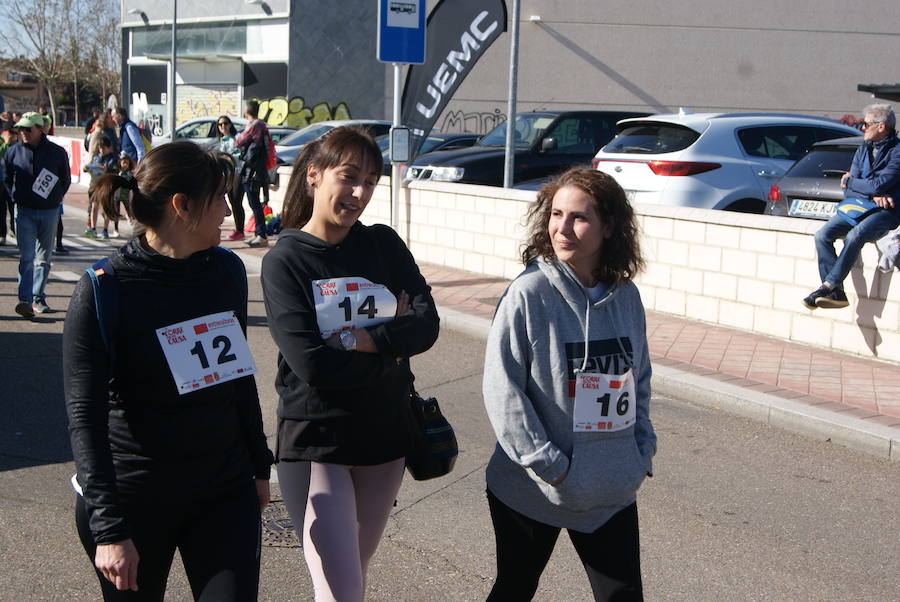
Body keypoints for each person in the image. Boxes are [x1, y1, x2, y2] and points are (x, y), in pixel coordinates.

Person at [64, 141, 273, 600]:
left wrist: (259, 464)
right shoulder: (105, 289)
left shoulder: (226, 272)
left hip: (223, 488)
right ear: (182, 206)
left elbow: (236, 375)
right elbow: (85, 416)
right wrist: (108, 527)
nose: (226, 208)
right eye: (219, 197)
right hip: (135, 499)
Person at [261, 126, 440, 602]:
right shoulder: (287, 261)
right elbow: (312, 365)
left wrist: (358, 340)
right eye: (349, 177)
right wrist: (390, 345)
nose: (360, 193)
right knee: (342, 594)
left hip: (386, 436)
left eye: (371, 181)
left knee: (349, 582)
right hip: (318, 439)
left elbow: (427, 326)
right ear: (315, 175)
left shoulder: (382, 244)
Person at [482, 167, 656, 601]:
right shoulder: (528, 294)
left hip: (610, 486)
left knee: (623, 596)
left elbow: (640, 379)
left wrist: (641, 448)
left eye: (579, 217)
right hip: (535, 485)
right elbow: (503, 391)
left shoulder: (626, 297)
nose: (563, 228)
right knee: (515, 589)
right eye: (556, 214)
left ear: (609, 226)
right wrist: (550, 465)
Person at [803, 104, 900, 310]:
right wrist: (873, 194)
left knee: (855, 236)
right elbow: (847, 189)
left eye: (866, 124)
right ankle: (836, 292)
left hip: (888, 211)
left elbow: (876, 183)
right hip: (859, 206)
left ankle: (828, 285)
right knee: (822, 235)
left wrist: (856, 184)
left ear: (881, 126)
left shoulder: (897, 151)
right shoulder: (863, 148)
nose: (863, 128)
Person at [4, 111, 71, 317]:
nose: (23, 133)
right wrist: (16, 197)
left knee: (43, 258)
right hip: (24, 211)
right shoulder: (13, 152)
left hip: (49, 212)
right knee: (27, 257)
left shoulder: (57, 152)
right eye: (21, 129)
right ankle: (25, 300)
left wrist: (55, 198)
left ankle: (38, 297)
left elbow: (65, 179)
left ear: (41, 130)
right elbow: (6, 177)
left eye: (28, 129)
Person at [235, 100, 271, 247]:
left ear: (246, 111)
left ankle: (261, 235)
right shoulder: (262, 125)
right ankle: (259, 233)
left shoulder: (255, 125)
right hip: (256, 169)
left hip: (252, 171)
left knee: (254, 203)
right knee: (254, 203)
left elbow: (239, 141)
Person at [215, 115, 246, 241]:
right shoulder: (222, 140)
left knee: (237, 201)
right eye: (220, 124)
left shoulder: (236, 138)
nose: (223, 126)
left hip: (238, 172)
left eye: (226, 123)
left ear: (230, 125)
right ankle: (238, 229)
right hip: (228, 174)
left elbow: (239, 154)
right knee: (232, 201)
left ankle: (240, 230)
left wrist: (228, 157)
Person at [83, 136, 119, 239]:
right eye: (100, 148)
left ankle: (105, 229)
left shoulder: (113, 158)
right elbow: (90, 166)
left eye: (103, 148)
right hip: (96, 185)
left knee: (105, 209)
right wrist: (87, 168)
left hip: (107, 186)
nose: (101, 150)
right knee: (94, 207)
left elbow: (113, 171)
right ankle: (93, 228)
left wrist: (105, 168)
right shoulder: (96, 157)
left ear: (108, 148)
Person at [0, 121, 16, 246]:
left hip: (13, 181)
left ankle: (14, 229)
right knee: (1, 210)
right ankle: (2, 234)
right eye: (11, 132)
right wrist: (5, 144)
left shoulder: (18, 145)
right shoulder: (2, 143)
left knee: (14, 208)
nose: (12, 135)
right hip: (1, 182)